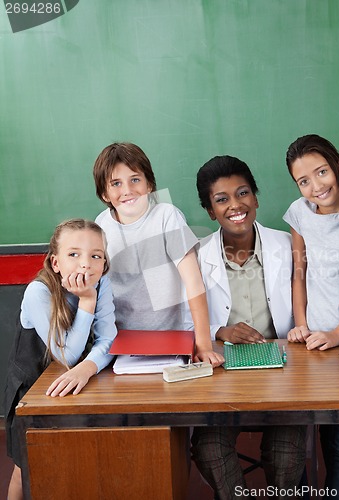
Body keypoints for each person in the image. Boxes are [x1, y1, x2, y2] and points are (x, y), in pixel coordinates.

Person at [189, 155, 307, 500]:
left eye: (242, 193)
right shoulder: (196, 255)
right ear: (210, 211)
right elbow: (185, 315)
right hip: (223, 372)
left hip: (282, 369)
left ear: (255, 197)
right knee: (209, 448)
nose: (235, 205)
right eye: (221, 199)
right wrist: (219, 330)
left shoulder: (286, 245)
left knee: (286, 453)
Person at [283, 135, 339, 498]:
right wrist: (301, 323)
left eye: (321, 172)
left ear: (338, 163)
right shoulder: (300, 213)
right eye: (304, 180)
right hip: (313, 344)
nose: (316, 186)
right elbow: (298, 272)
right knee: (303, 439)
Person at [4, 218, 117, 500]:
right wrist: (87, 302)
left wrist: (88, 368)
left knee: (69, 457)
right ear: (56, 263)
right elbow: (66, 354)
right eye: (73, 254)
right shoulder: (39, 291)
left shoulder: (102, 284)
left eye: (96, 256)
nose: (85, 264)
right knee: (26, 466)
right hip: (32, 390)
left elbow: (109, 339)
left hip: (73, 386)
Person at [93, 142, 223, 367]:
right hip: (121, 340)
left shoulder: (166, 215)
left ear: (149, 184)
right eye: (116, 183)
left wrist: (203, 344)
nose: (127, 190)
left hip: (171, 336)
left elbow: (193, 281)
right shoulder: (100, 225)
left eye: (135, 179)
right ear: (105, 193)